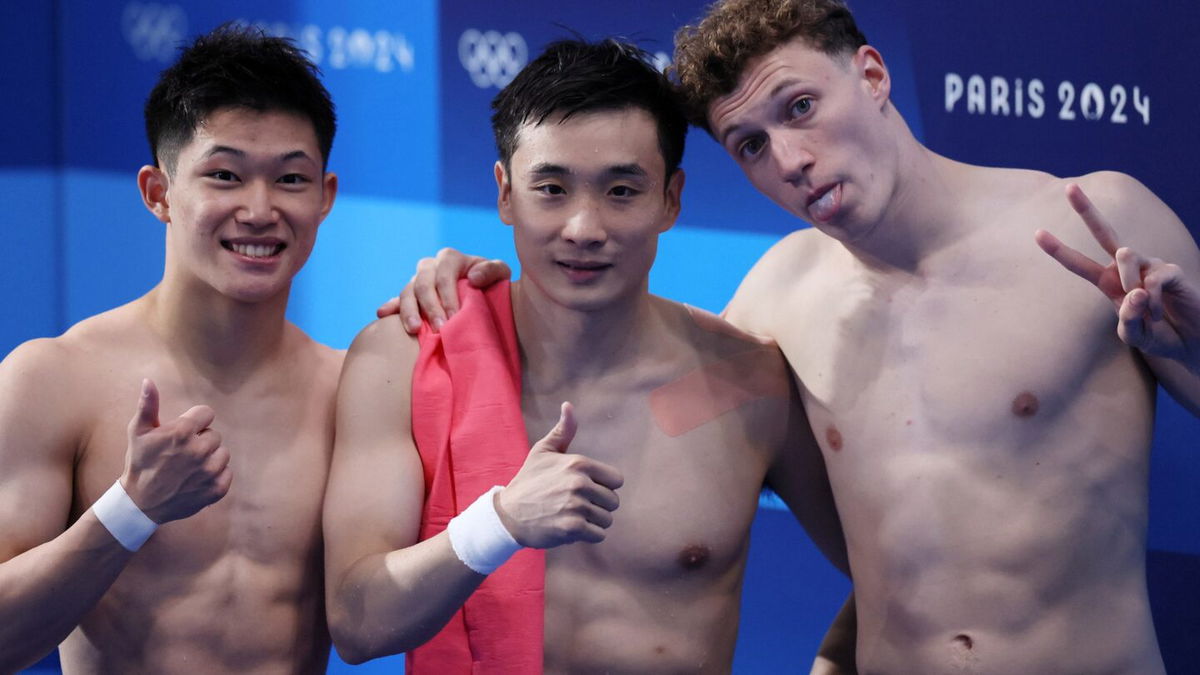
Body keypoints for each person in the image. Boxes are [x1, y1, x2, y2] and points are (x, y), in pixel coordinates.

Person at [391, 0, 1200, 672]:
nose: (791, 159)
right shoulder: (775, 303)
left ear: (874, 76)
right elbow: (626, 408)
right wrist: (488, 296)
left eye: (801, 109)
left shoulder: (1098, 222)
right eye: (751, 145)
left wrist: (1194, 348)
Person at [323, 38, 848, 673]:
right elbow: (357, 624)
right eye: (551, 188)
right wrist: (500, 524)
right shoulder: (402, 361)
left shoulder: (749, 385)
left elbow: (900, 583)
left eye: (622, 191)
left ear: (671, 199)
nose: (583, 228)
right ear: (505, 194)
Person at [0, 25, 340, 673]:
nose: (260, 208)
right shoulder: (53, 378)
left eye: (291, 179)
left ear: (324, 197)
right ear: (159, 193)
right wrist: (131, 509)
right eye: (225, 175)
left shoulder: (351, 391)